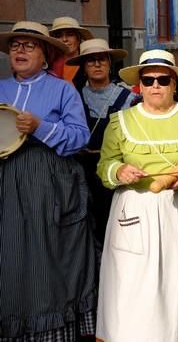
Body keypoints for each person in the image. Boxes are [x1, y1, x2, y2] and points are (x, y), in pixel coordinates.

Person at [96, 49, 178, 342]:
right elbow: (105, 164)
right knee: (133, 286)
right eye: (148, 80)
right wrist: (119, 172)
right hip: (134, 208)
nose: (155, 86)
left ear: (175, 84)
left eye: (162, 80)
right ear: (139, 85)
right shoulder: (120, 122)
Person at [0, 21, 96, 340]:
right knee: (11, 251)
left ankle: (50, 328)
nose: (20, 51)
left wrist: (40, 126)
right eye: (16, 45)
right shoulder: (1, 89)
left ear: (44, 55)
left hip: (50, 182)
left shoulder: (61, 89)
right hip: (6, 181)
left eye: (29, 45)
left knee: (48, 256)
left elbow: (80, 137)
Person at [66, 38, 136, 257]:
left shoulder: (129, 98)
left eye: (101, 60)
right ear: (84, 68)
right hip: (80, 173)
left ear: (109, 64)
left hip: (114, 173)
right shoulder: (72, 97)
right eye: (90, 61)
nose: (96, 65)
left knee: (114, 226)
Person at [49, 16, 95, 84]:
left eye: (70, 34)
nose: (64, 39)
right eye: (59, 36)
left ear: (78, 38)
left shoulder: (90, 62)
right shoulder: (48, 64)